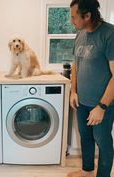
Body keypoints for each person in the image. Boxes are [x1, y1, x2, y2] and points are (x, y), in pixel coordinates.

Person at [68, 0, 114, 177]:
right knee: (85, 137)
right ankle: (87, 171)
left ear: (87, 16)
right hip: (83, 101)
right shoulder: (80, 34)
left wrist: (101, 107)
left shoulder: (109, 34)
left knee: (103, 142)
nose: (72, 21)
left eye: (74, 17)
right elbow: (75, 64)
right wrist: (73, 91)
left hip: (102, 105)